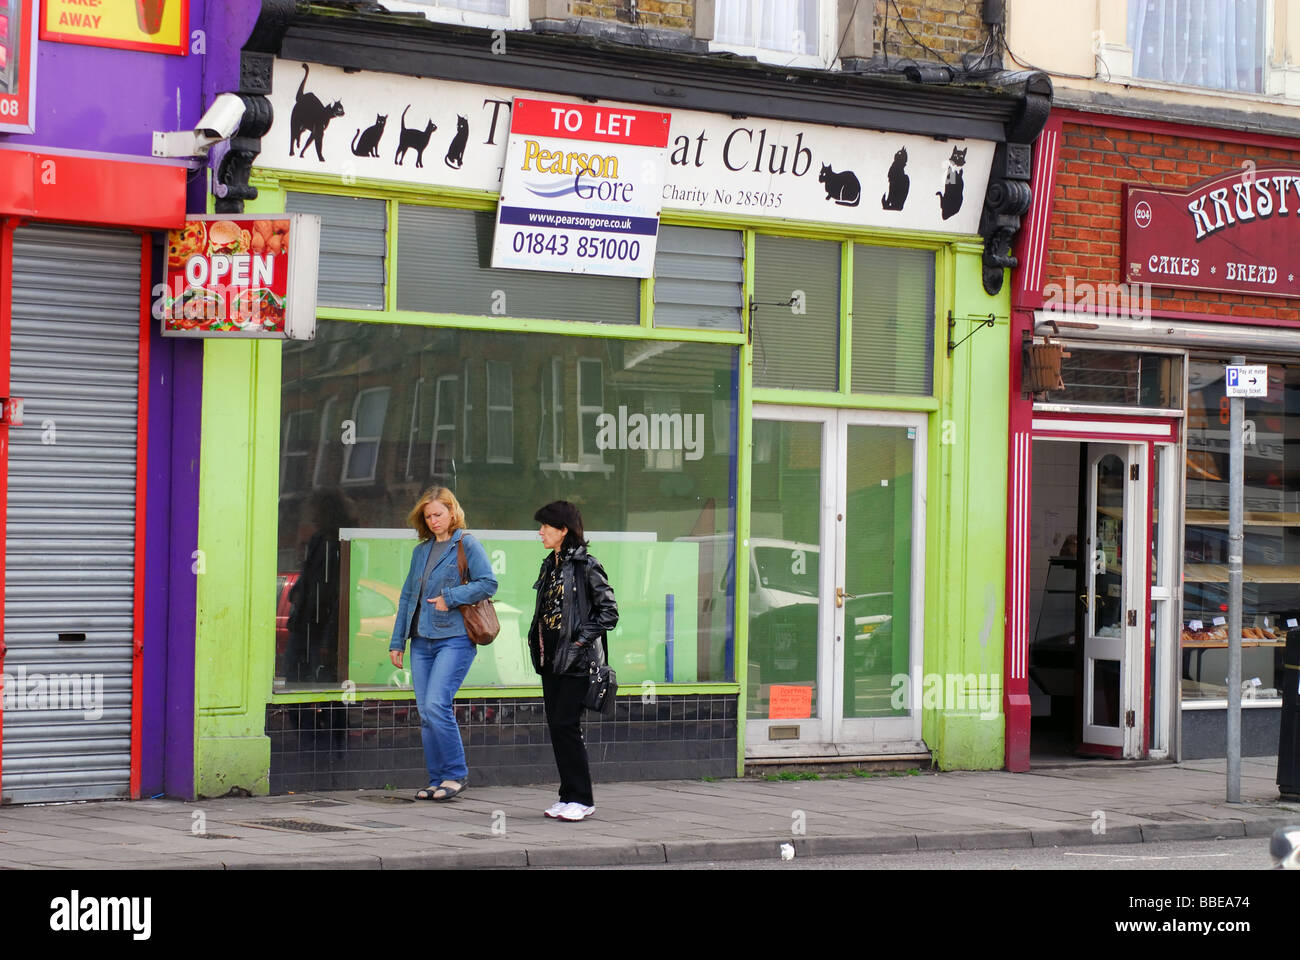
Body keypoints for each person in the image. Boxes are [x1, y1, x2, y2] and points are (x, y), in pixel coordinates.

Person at [389, 486, 497, 801]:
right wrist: (398, 642)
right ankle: (436, 779)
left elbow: (488, 583)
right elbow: (408, 597)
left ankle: (455, 774)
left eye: (438, 514)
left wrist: (450, 597)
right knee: (426, 712)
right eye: (428, 516)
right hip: (421, 641)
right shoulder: (421, 551)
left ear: (452, 512)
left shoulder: (466, 544)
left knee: (437, 704)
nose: (434, 520)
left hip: (455, 638)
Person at [529, 501, 618, 822]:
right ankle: (567, 796)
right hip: (550, 657)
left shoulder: (586, 565)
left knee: (567, 724)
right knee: (557, 726)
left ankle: (582, 799)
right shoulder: (550, 565)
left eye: (546, 526)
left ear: (563, 529)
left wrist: (580, 640)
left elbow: (609, 612)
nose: (540, 532)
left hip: (577, 659)